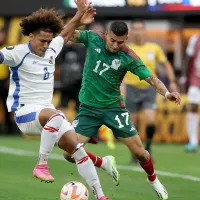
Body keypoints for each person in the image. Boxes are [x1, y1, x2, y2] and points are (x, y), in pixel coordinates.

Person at [0, 1, 111, 199]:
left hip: (48, 115)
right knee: (57, 114)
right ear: (30, 36)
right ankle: (41, 164)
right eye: (42, 40)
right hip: (25, 114)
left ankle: (101, 195)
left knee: (78, 150)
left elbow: (65, 33)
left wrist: (78, 16)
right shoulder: (17, 53)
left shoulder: (51, 48)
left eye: (48, 41)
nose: (45, 45)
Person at [63, 21, 181, 200]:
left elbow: (152, 79)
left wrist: (167, 94)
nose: (115, 45)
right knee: (69, 154)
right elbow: (67, 33)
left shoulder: (129, 57)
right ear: (106, 34)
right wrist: (79, 18)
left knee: (140, 153)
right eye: (112, 40)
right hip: (88, 109)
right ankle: (103, 162)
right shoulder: (93, 39)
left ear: (126, 39)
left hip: (114, 110)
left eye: (120, 42)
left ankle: (153, 180)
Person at [123, 20, 177, 162]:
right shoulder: (127, 49)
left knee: (150, 120)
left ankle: (148, 146)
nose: (137, 32)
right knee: (132, 124)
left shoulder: (154, 48)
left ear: (144, 31)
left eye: (140, 29)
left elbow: (166, 65)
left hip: (149, 89)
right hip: (131, 88)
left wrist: (172, 81)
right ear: (131, 32)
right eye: (134, 29)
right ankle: (135, 154)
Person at [184, 34, 200, 152]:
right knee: (193, 107)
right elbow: (189, 59)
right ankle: (193, 141)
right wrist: (186, 78)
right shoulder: (195, 39)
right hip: (196, 80)